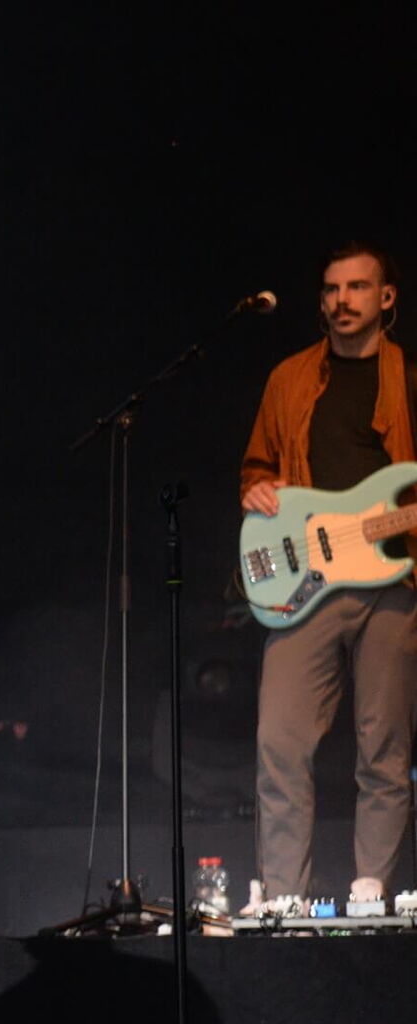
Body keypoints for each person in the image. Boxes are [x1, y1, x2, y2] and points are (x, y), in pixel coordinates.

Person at [240, 242, 417, 907]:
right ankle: (284, 897)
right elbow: (256, 469)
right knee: (278, 742)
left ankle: (371, 892)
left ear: (385, 297)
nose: (342, 300)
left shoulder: (407, 380)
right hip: (306, 581)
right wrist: (256, 488)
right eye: (331, 289)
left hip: (392, 583)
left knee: (384, 748)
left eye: (357, 287)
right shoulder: (288, 378)